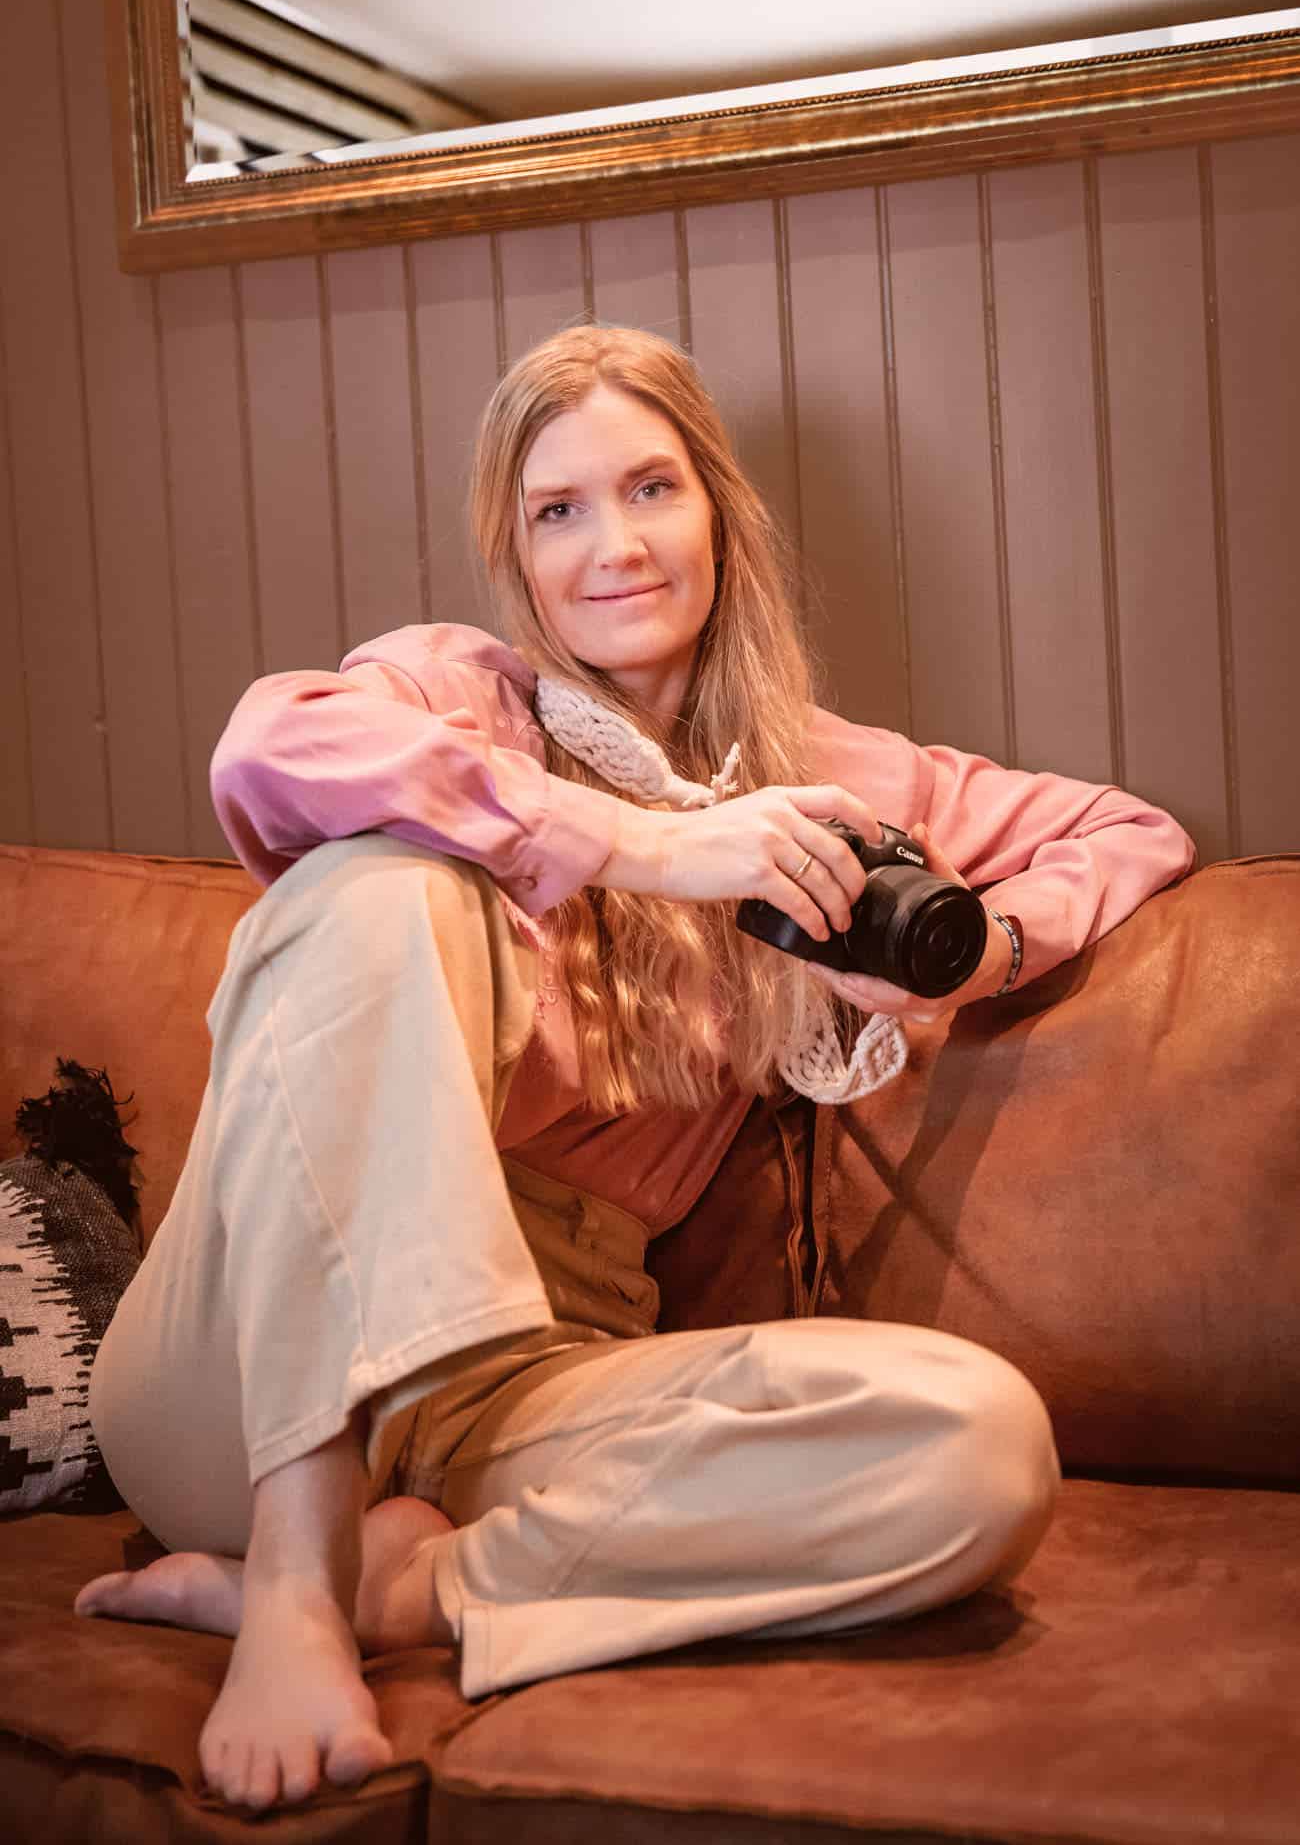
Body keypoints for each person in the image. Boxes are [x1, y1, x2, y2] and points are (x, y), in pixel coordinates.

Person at [74, 324, 1195, 1815]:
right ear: (517, 558)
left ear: (718, 512)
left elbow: (1127, 832)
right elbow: (269, 746)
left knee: (977, 1447)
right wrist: (652, 845)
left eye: (653, 487)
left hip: (521, 1376)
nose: (616, 544)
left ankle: (409, 1588)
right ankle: (290, 1577)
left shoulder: (830, 784)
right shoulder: (457, 699)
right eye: (559, 510)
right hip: (239, 1356)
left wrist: (961, 951)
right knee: (384, 884)